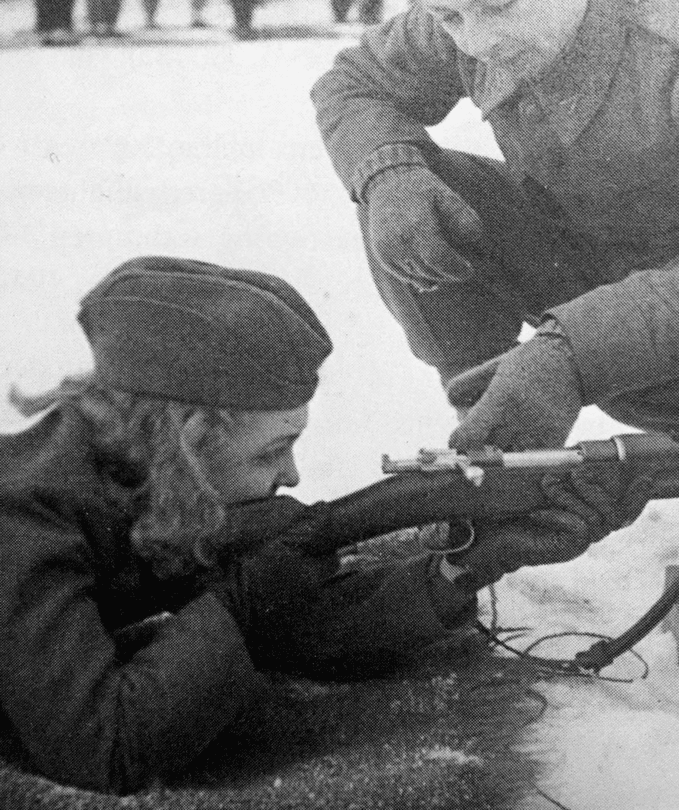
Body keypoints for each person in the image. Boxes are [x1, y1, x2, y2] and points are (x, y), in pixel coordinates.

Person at [311, 0, 679, 731]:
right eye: (449, 16)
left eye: (498, 6)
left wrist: (570, 352)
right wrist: (389, 173)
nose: (476, 40)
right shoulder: (475, 2)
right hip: (599, 294)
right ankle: (492, 455)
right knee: (415, 191)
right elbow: (353, 84)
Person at [0, 255, 625, 794]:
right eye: (272, 452)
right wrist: (241, 602)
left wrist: (471, 565)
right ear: (191, 439)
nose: (292, 475)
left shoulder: (144, 478)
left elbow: (295, 624)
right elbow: (105, 748)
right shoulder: (23, 517)